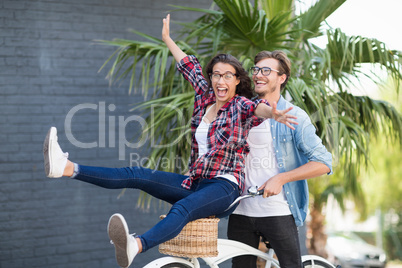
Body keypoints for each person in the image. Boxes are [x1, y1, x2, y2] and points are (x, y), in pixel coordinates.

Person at [43, 15, 297, 268]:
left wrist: (273, 113)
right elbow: (188, 65)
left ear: (237, 80)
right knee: (136, 174)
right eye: (216, 75)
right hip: (197, 182)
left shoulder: (240, 106)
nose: (221, 81)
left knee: (183, 208)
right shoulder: (205, 97)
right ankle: (66, 168)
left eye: (228, 76)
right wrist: (167, 39)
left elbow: (258, 108)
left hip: (225, 187)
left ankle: (138, 245)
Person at [227, 50, 333, 268]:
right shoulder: (242, 110)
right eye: (256, 69)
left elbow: (323, 163)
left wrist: (281, 178)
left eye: (266, 70)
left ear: (282, 77)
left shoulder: (295, 115)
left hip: (277, 212)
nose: (258, 74)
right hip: (240, 211)